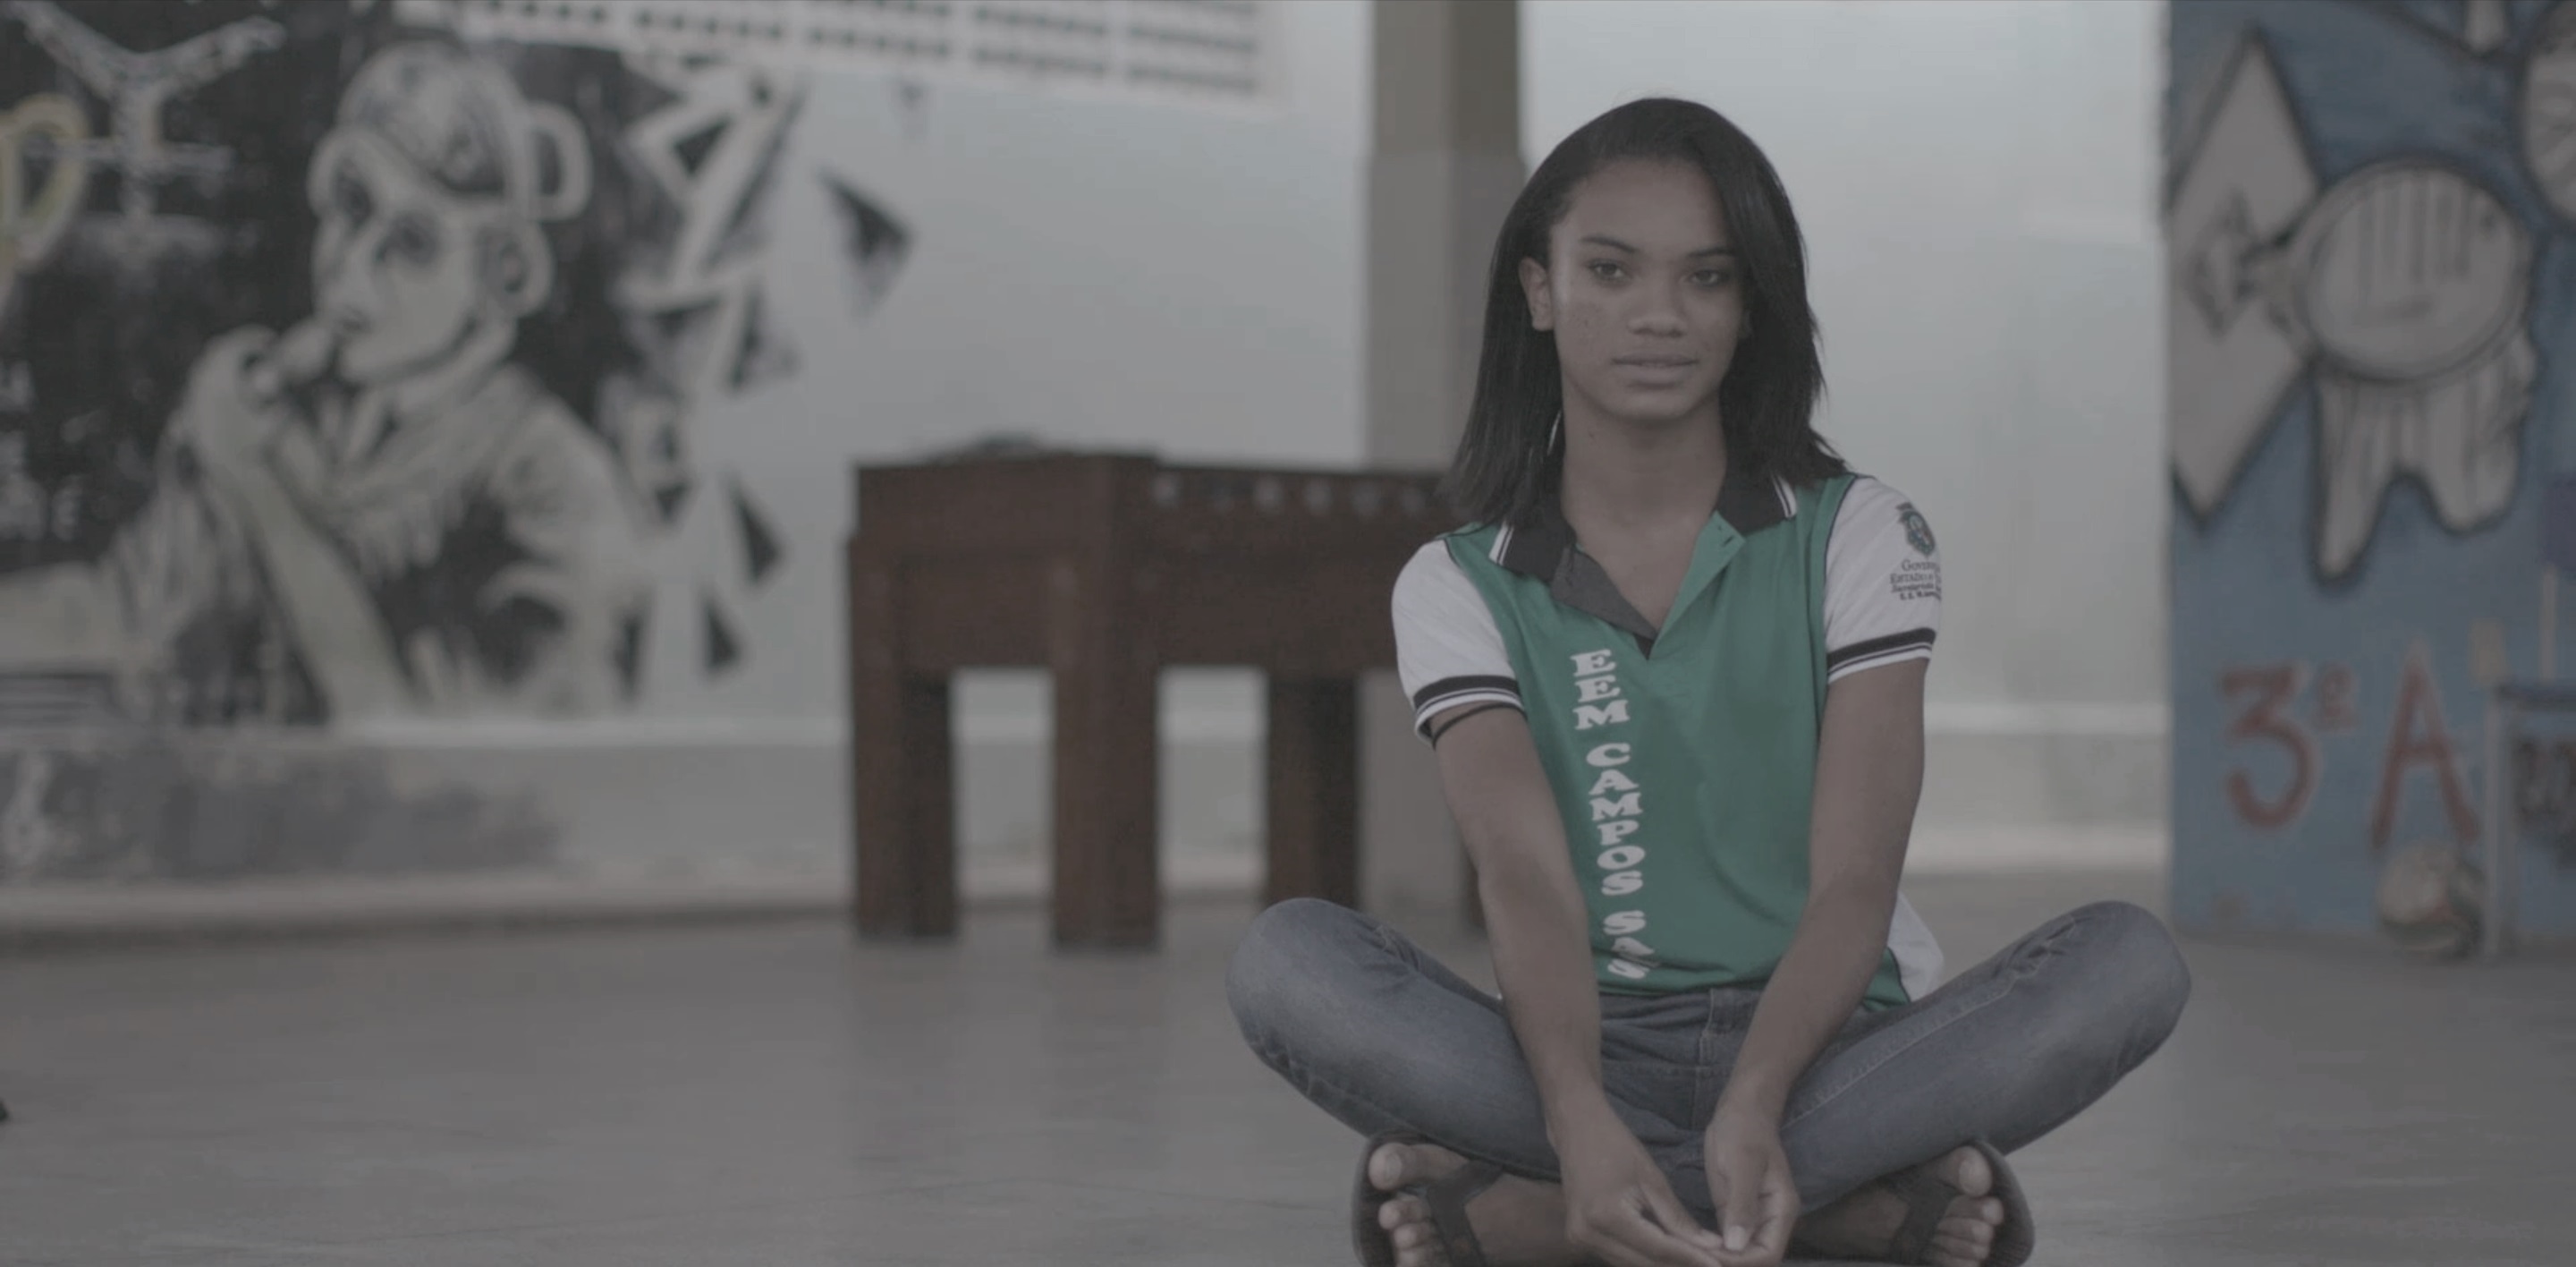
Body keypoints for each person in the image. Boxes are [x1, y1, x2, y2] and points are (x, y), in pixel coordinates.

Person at [1224, 98, 2190, 1267]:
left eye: (1708, 277)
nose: (1660, 316)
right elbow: (1524, 878)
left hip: (1839, 1047)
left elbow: (1855, 880)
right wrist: (1577, 1111)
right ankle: (1828, 1208)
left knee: (2127, 963)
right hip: (1585, 1044)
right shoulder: (1459, 583)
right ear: (1539, 289)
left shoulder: (1858, 534)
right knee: (1290, 965)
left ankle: (1568, 1213)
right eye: (1611, 270)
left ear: (1750, 306)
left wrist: (1758, 1097)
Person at [0, 39, 648, 722]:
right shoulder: (293, 415)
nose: (352, 266)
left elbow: (427, 742)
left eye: (413, 243)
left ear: (499, 274)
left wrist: (252, 474)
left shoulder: (551, 480)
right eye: (353, 203)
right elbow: (127, 615)